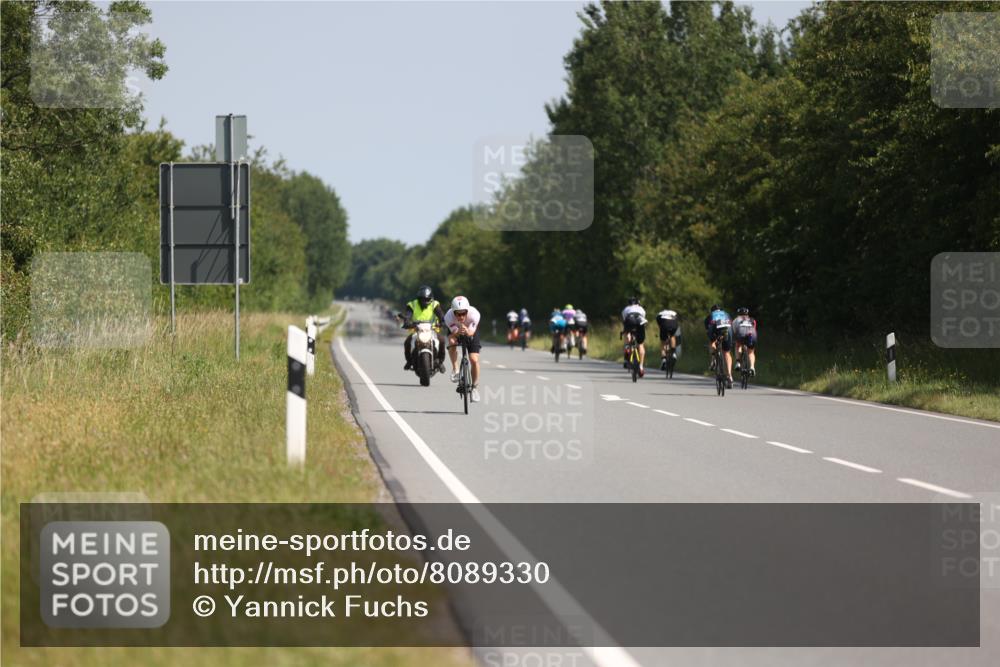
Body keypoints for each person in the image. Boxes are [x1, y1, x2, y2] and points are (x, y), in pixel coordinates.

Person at [443, 295, 482, 402]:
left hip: (470, 332)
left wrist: (466, 330)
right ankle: (455, 369)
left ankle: (474, 388)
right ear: (453, 312)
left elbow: (471, 332)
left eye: (463, 313)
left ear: (467, 311)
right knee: (451, 341)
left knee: (474, 359)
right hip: (456, 332)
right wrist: (458, 331)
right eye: (457, 313)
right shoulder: (448, 316)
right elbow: (453, 333)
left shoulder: (474, 314)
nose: (460, 316)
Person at [400, 285, 446, 373]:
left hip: (432, 330)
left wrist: (442, 322)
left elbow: (441, 315)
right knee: (407, 342)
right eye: (422, 299)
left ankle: (440, 361)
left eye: (427, 299)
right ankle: (409, 361)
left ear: (431, 298)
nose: (425, 301)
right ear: (418, 298)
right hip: (416, 330)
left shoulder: (434, 305)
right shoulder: (412, 305)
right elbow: (408, 316)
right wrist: (407, 322)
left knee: (442, 340)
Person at [704, 304, 733, 389]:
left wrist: (713, 339)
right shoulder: (726, 314)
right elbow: (731, 324)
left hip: (715, 327)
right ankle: (729, 376)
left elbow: (707, 328)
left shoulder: (711, 315)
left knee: (712, 342)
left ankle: (713, 360)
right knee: (727, 352)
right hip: (727, 329)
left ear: (712, 310)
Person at [621, 297, 648, 376]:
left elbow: (624, 321)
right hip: (639, 320)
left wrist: (626, 331)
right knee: (640, 344)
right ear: (637, 303)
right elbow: (643, 319)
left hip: (630, 319)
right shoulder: (641, 309)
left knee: (627, 332)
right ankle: (641, 367)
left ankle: (627, 347)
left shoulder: (626, 309)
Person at [732, 307, 758, 376]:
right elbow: (754, 329)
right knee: (751, 352)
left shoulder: (736, 320)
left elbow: (734, 332)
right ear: (747, 314)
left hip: (741, 335)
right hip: (752, 336)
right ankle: (752, 367)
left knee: (737, 345)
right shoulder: (752, 320)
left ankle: (738, 362)